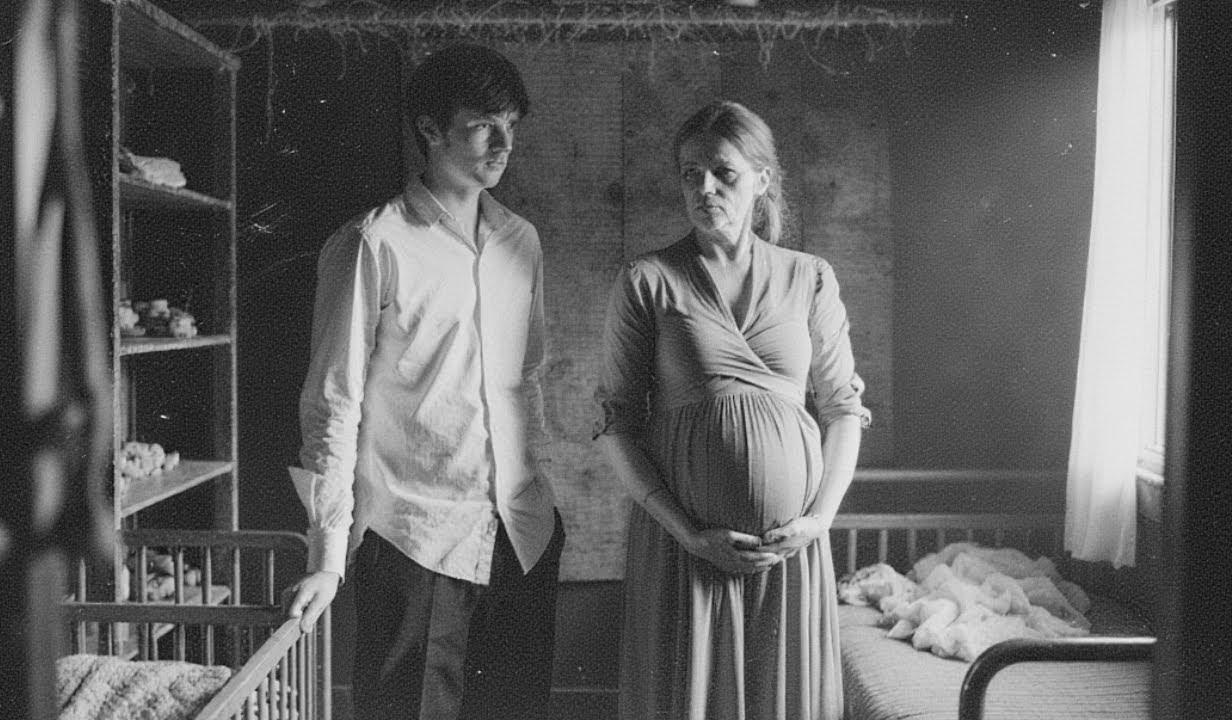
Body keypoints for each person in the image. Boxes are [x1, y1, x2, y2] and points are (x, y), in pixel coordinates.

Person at [284, 43, 564, 720]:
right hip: (414, 540)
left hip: (521, 534)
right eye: (483, 125)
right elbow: (333, 403)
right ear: (430, 129)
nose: (504, 144)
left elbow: (526, 380)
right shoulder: (372, 243)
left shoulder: (521, 242)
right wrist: (327, 556)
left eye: (511, 125)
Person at [595, 100, 870, 720]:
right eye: (690, 174)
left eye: (724, 173)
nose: (705, 189)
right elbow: (616, 425)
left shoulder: (810, 278)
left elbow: (843, 409)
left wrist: (819, 520)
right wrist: (689, 534)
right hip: (687, 547)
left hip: (790, 551)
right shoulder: (648, 280)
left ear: (762, 180)